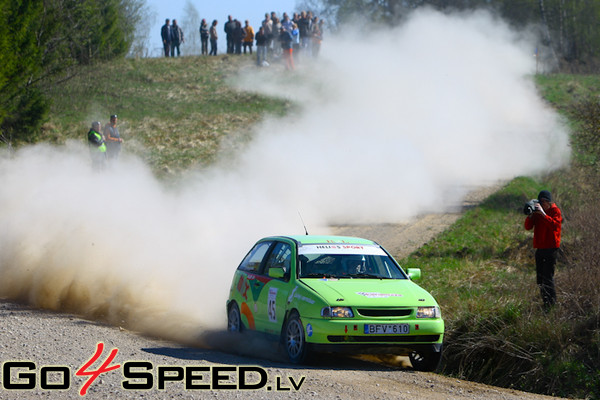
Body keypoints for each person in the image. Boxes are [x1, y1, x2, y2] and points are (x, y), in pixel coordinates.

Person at [524, 190, 563, 310]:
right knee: (540, 278)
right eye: (541, 202)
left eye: (544, 202)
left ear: (549, 202)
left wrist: (544, 214)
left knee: (548, 277)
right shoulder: (537, 212)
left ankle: (551, 304)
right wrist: (531, 215)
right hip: (540, 248)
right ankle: (545, 302)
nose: (543, 204)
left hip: (551, 248)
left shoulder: (555, 211)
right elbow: (528, 227)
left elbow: (555, 226)